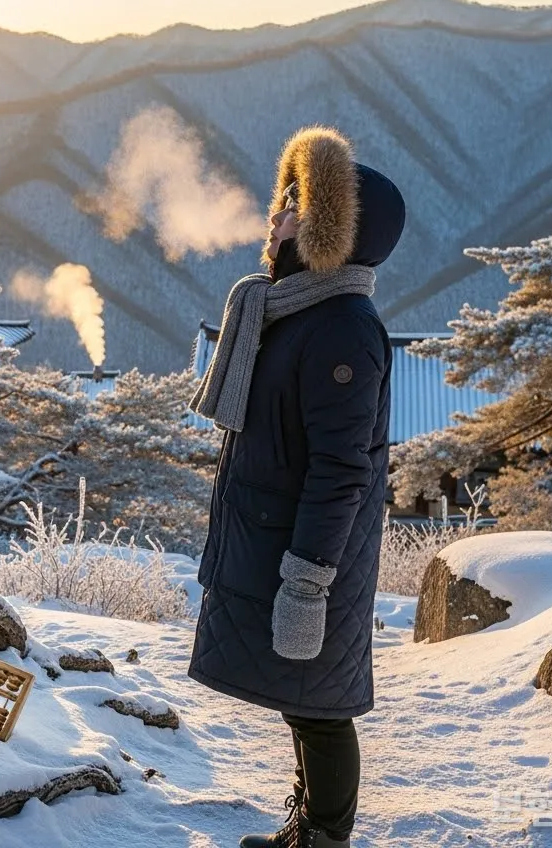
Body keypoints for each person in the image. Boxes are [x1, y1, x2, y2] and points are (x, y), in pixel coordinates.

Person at [187, 125, 405, 848]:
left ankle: (323, 838)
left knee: (320, 706)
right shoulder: (292, 311)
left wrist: (307, 582)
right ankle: (307, 826)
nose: (275, 214)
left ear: (330, 230)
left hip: (312, 553)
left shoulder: (341, 328)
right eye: (283, 198)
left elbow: (341, 469)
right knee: (300, 702)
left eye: (293, 203)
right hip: (282, 539)